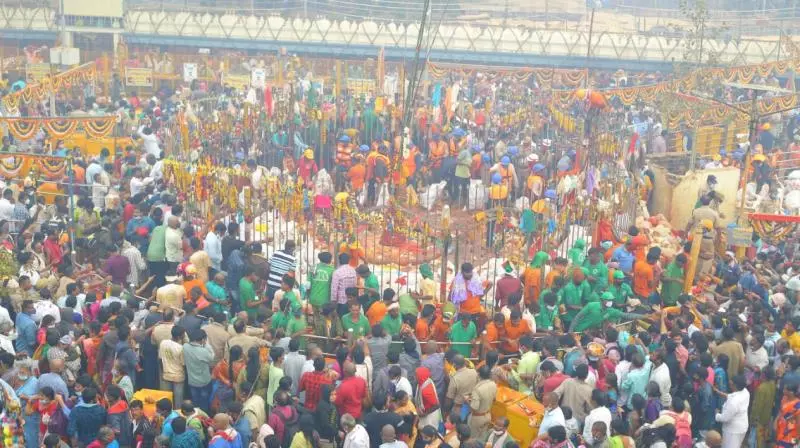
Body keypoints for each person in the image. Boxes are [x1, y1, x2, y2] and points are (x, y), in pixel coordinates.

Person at [714, 374, 749, 448]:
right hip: (742, 426)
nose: (729, 386)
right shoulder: (745, 392)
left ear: (735, 386)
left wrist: (716, 414)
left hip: (732, 430)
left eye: (731, 384)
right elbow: (731, 395)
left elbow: (725, 418)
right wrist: (719, 392)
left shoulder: (733, 402)